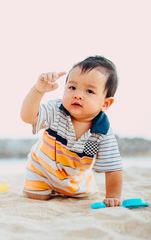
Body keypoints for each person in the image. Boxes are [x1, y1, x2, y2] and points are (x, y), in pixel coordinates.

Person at [20, 56, 123, 207]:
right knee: (35, 196)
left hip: (74, 178)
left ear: (105, 103)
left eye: (89, 91)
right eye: (72, 88)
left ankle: (65, 189)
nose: (78, 95)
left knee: (81, 194)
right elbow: (28, 117)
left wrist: (112, 196)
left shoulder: (102, 132)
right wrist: (38, 91)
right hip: (42, 168)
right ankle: (47, 187)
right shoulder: (56, 111)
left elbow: (113, 168)